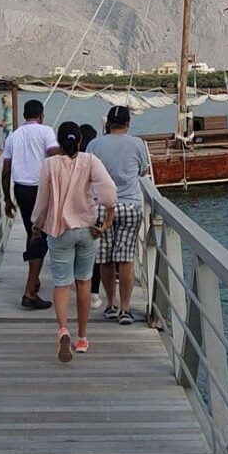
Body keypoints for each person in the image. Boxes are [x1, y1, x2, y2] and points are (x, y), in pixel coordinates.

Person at [31, 121, 116, 362]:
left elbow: (43, 201)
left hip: (60, 230)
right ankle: (81, 338)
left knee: (61, 283)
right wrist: (107, 220)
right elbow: (108, 190)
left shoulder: (49, 164)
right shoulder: (90, 160)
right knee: (83, 282)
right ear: (79, 141)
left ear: (58, 142)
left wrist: (37, 226)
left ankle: (63, 330)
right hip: (88, 230)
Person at [88, 105, 151, 325]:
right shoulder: (137, 144)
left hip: (102, 207)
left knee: (104, 259)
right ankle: (125, 309)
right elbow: (143, 172)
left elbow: (87, 175)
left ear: (107, 124)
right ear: (127, 124)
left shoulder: (94, 145)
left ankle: (110, 305)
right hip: (130, 206)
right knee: (125, 259)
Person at [2, 100, 58, 309]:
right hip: (40, 188)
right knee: (39, 235)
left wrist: (7, 198)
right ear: (41, 115)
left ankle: (34, 278)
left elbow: (6, 170)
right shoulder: (45, 131)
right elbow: (55, 155)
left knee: (30, 231)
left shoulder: (13, 136)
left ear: (25, 115)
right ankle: (29, 293)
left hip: (20, 189)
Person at [79, 123, 102, 309]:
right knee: (93, 253)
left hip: (70, 217)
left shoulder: (64, 161)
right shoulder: (94, 161)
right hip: (92, 211)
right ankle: (93, 294)